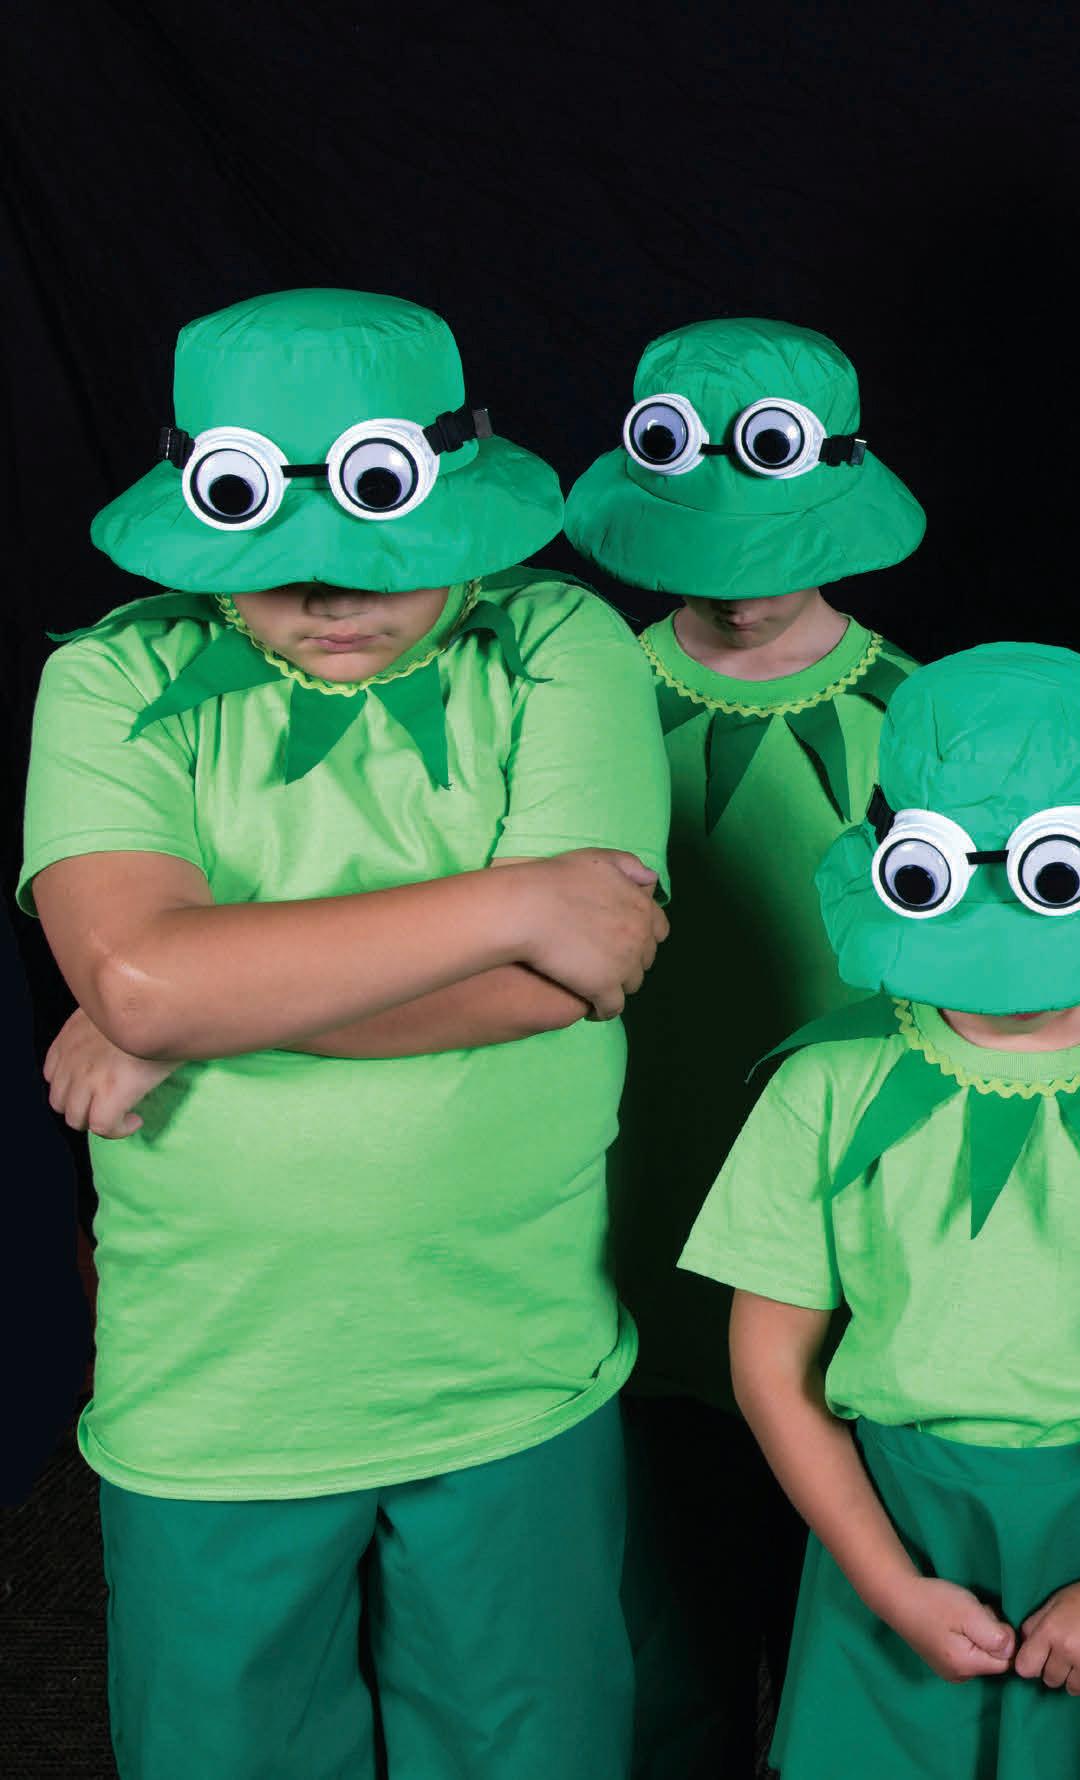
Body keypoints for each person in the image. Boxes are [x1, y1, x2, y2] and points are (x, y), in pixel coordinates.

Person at [26, 287, 669, 1780]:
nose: (325, 588)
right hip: (221, 1376)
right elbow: (143, 983)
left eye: (373, 530)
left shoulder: (559, 643)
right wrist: (513, 897)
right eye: (271, 544)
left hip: (513, 1351)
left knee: (532, 1749)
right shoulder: (113, 676)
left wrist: (203, 1010)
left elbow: (571, 980)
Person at [680, 642, 1080, 1780]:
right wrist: (890, 1584)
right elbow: (768, 1364)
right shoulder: (825, 1086)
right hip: (892, 1524)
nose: (1009, 981)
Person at [563, 314, 927, 1778]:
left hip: (848, 1242)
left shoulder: (924, 721)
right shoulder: (574, 703)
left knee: (844, 1618)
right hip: (631, 1212)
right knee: (668, 1618)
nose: (736, 574)